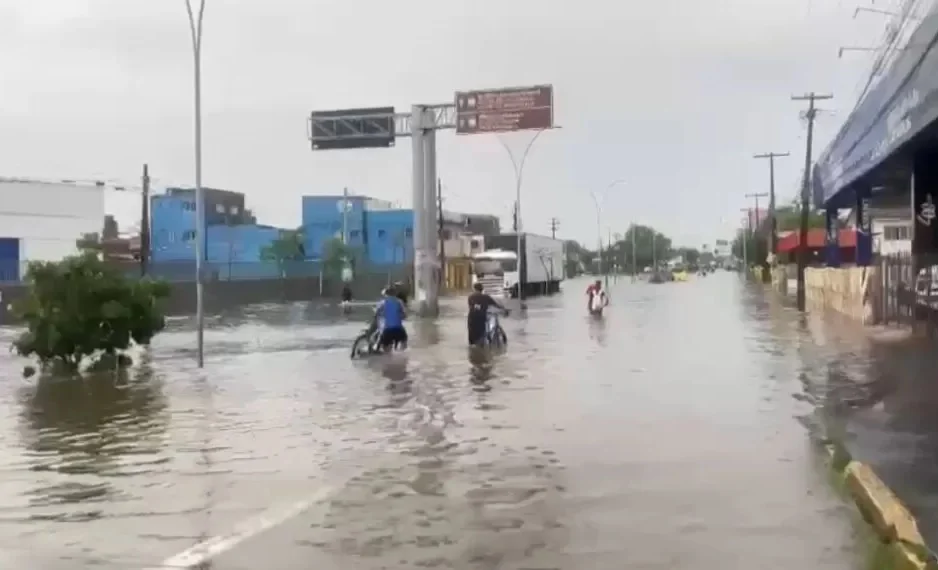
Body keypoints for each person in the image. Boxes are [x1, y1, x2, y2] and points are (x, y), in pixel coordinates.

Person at [467, 282, 509, 346]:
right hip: (481, 318)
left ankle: (473, 350)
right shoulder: (486, 297)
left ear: (474, 289)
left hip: (472, 319)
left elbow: (473, 306)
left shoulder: (470, 297)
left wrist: (479, 308)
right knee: (481, 334)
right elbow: (496, 304)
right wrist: (504, 309)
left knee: (472, 337)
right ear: (482, 289)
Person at [376, 287, 408, 351]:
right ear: (395, 294)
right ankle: (402, 357)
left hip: (388, 330)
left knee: (386, 352)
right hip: (398, 329)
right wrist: (399, 316)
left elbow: (377, 313)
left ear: (386, 294)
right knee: (404, 342)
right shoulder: (399, 302)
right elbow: (404, 315)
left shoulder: (383, 302)